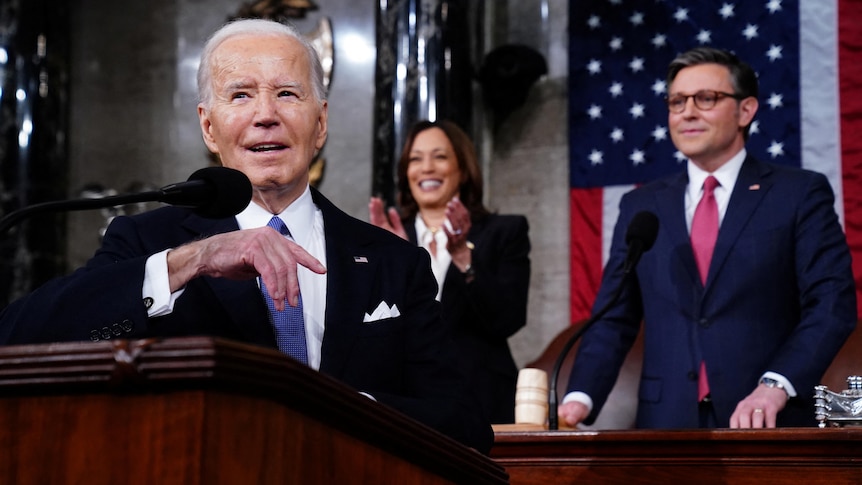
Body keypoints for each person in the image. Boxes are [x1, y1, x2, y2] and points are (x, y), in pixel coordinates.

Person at [0, 19, 493, 453]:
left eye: (286, 93)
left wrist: (348, 409)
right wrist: (190, 261)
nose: (265, 115)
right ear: (209, 127)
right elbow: (20, 339)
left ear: (320, 123)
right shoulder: (150, 242)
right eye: (240, 94)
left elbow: (465, 422)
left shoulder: (393, 261)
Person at [559, 47, 857, 429]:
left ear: (746, 110)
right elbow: (614, 316)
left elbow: (832, 304)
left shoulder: (797, 194)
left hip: (768, 420)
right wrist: (579, 397)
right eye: (677, 101)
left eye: (706, 98)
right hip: (666, 425)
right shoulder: (641, 206)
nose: (687, 112)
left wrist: (776, 385)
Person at [368, 120, 530, 424]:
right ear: (406, 173)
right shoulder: (386, 239)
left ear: (463, 168)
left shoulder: (504, 232)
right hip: (405, 403)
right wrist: (397, 264)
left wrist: (463, 257)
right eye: (416, 159)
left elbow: (507, 319)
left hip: (482, 402)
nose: (426, 167)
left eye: (440, 157)